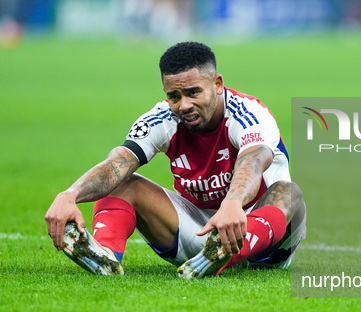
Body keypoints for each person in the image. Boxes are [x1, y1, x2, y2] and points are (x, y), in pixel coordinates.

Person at [45, 41, 306, 278]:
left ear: (217, 85)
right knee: (122, 180)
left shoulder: (249, 114)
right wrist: (70, 194)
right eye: (174, 96)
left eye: (194, 92)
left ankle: (224, 255)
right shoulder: (161, 119)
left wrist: (233, 202)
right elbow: (119, 161)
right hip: (198, 234)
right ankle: (106, 256)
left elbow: (253, 161)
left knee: (289, 193)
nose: (184, 105)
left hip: (262, 237)